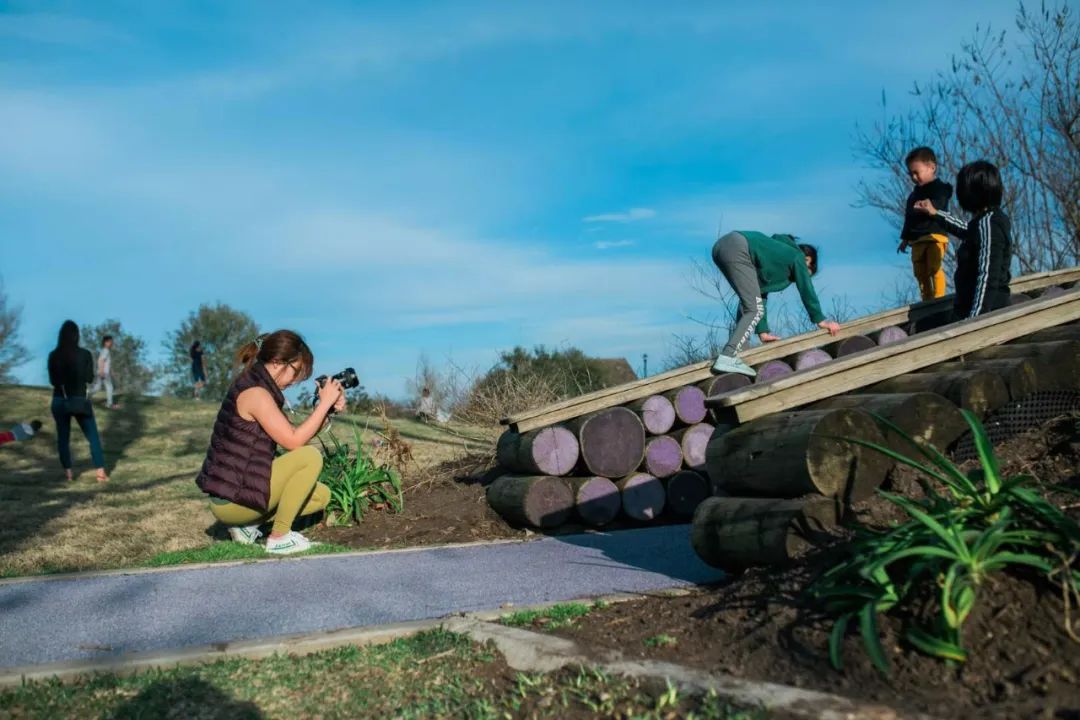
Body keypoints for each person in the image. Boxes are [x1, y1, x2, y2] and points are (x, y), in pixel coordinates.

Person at [195, 329, 344, 554]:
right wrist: (323, 404)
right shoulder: (256, 394)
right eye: (296, 372)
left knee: (320, 496)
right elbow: (294, 443)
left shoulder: (258, 386)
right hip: (231, 500)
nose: (295, 381)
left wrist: (326, 411)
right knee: (309, 457)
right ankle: (279, 538)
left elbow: (293, 433)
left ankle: (247, 526)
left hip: (235, 492)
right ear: (277, 362)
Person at [710, 231, 841, 376]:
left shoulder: (773, 253)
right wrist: (821, 320)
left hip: (721, 248)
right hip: (739, 247)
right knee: (754, 310)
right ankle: (728, 356)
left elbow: (759, 293)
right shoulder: (797, 257)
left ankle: (738, 355)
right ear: (808, 260)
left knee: (749, 305)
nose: (797, 278)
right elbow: (806, 289)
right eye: (806, 272)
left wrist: (763, 331)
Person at [914, 160, 1012, 322]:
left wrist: (975, 320)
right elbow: (965, 229)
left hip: (986, 312)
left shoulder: (989, 224)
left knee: (921, 326)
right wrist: (934, 213)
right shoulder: (985, 222)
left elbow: (987, 275)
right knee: (923, 324)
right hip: (970, 310)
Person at [47, 320, 109, 482]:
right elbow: (89, 378)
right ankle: (100, 472)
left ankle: (68, 473)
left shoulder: (53, 355)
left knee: (63, 438)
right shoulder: (85, 354)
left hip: (60, 399)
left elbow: (53, 381)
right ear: (77, 336)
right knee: (93, 437)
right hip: (80, 399)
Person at [898, 147, 954, 301]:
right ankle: (927, 300)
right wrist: (905, 239)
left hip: (935, 236)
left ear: (932, 167)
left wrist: (930, 207)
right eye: (911, 174)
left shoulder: (940, 189)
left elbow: (941, 205)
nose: (914, 177)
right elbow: (908, 218)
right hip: (917, 239)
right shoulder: (913, 196)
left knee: (934, 268)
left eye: (917, 172)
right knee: (920, 272)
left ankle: (939, 298)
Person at [90, 335, 119, 409]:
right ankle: (109, 404)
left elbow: (107, 363)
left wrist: (112, 372)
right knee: (110, 387)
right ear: (106, 342)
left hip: (102, 372)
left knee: (97, 387)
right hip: (104, 373)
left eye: (112, 342)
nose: (112, 343)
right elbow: (100, 360)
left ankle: (85, 397)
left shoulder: (104, 350)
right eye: (110, 341)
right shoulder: (106, 350)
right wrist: (102, 371)